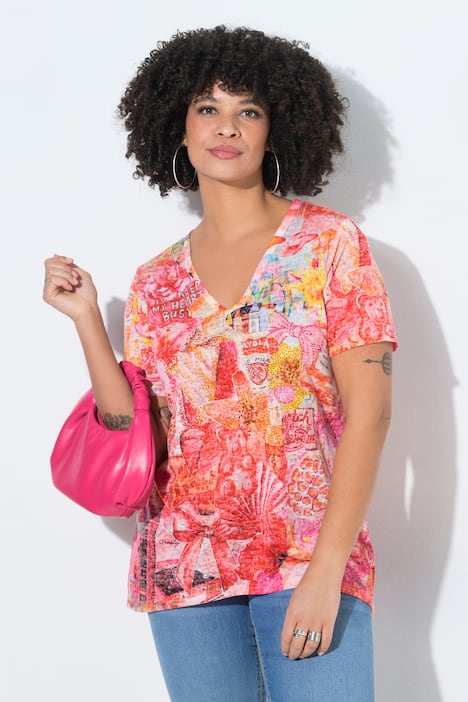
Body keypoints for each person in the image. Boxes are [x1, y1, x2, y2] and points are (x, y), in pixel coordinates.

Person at [43, 26, 397, 702]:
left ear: (274, 129)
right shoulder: (155, 281)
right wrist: (88, 318)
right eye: (207, 107)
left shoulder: (329, 244)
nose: (226, 127)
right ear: (178, 128)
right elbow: (132, 429)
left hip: (307, 560)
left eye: (248, 110)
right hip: (184, 568)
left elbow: (371, 415)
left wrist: (328, 569)